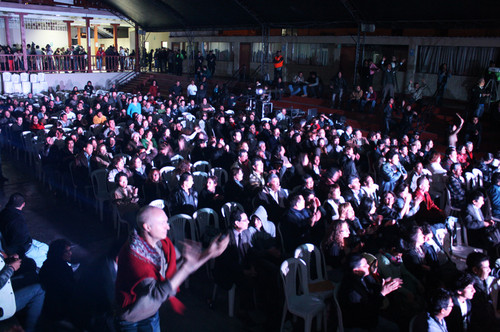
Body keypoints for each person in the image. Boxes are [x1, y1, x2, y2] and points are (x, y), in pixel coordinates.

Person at [115, 206, 228, 330]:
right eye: (162, 223)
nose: (168, 227)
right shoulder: (134, 257)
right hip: (131, 319)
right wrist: (187, 266)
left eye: (167, 222)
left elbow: (183, 267)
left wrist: (209, 253)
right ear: (147, 227)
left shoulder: (162, 243)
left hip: (151, 314)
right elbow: (159, 293)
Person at [338, 254, 402, 331]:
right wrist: (382, 293)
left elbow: (374, 288)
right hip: (360, 324)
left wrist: (384, 284)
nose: (368, 266)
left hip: (370, 318)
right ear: (356, 271)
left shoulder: (364, 276)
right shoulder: (351, 292)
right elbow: (368, 312)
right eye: (365, 265)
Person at [0, 193, 48, 269]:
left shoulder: (3, 212)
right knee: (44, 255)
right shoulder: (17, 220)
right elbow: (21, 241)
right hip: (21, 248)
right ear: (23, 204)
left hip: (17, 243)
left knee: (46, 247)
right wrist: (20, 255)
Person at [0, 252, 45, 332]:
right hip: (2, 303)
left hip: (3, 289)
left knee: (31, 272)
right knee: (39, 290)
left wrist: (7, 259)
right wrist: (11, 268)